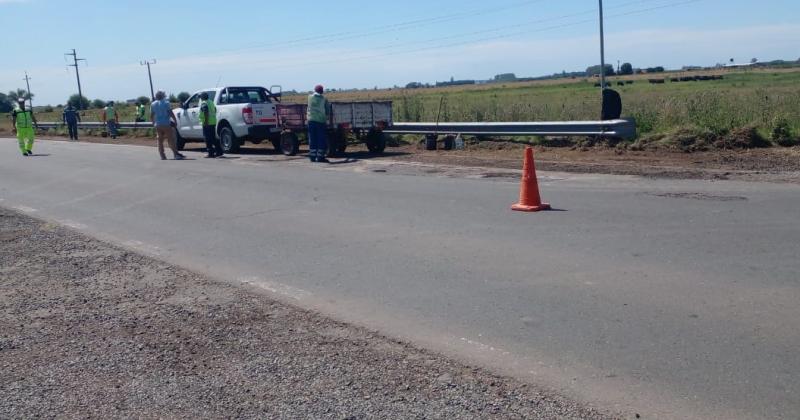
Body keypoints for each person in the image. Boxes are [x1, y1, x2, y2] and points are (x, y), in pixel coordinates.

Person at [150, 90, 184, 160]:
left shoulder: (153, 104)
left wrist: (153, 123)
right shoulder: (166, 103)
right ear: (163, 95)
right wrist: (175, 120)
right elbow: (170, 112)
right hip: (166, 123)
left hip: (158, 124)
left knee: (160, 140)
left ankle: (162, 155)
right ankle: (175, 154)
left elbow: (152, 115)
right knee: (171, 139)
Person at [306, 84, 330, 163]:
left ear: (315, 90)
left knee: (312, 139)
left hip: (311, 121)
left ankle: (312, 157)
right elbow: (327, 110)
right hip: (320, 121)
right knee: (321, 139)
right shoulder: (324, 99)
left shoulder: (309, 97)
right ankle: (320, 157)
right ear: (322, 91)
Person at [199, 92, 223, 158]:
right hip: (212, 122)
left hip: (207, 123)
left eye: (200, 97)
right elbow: (214, 110)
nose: (200, 98)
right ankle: (219, 151)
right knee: (212, 138)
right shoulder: (211, 102)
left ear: (203, 97)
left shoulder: (204, 103)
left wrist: (206, 122)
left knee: (207, 139)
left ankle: (210, 153)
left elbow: (205, 111)